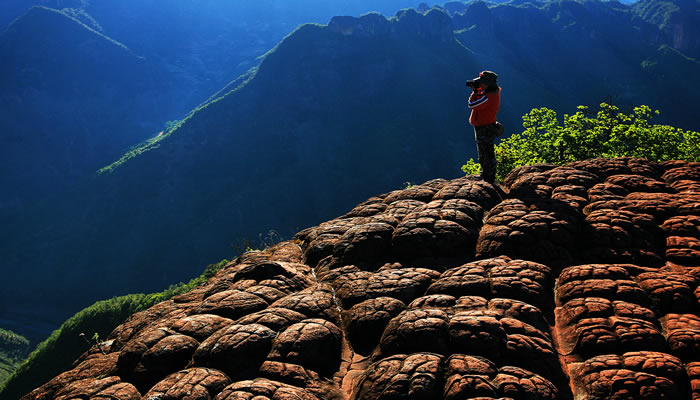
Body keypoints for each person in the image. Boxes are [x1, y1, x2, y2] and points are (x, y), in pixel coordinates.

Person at [467, 70, 503, 183]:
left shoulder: (490, 96)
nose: (480, 84)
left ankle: (489, 178)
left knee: (486, 152)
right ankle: (486, 174)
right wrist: (478, 91)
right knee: (484, 152)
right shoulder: (489, 93)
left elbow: (472, 105)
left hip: (485, 127)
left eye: (482, 82)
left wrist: (474, 92)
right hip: (483, 125)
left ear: (488, 84)